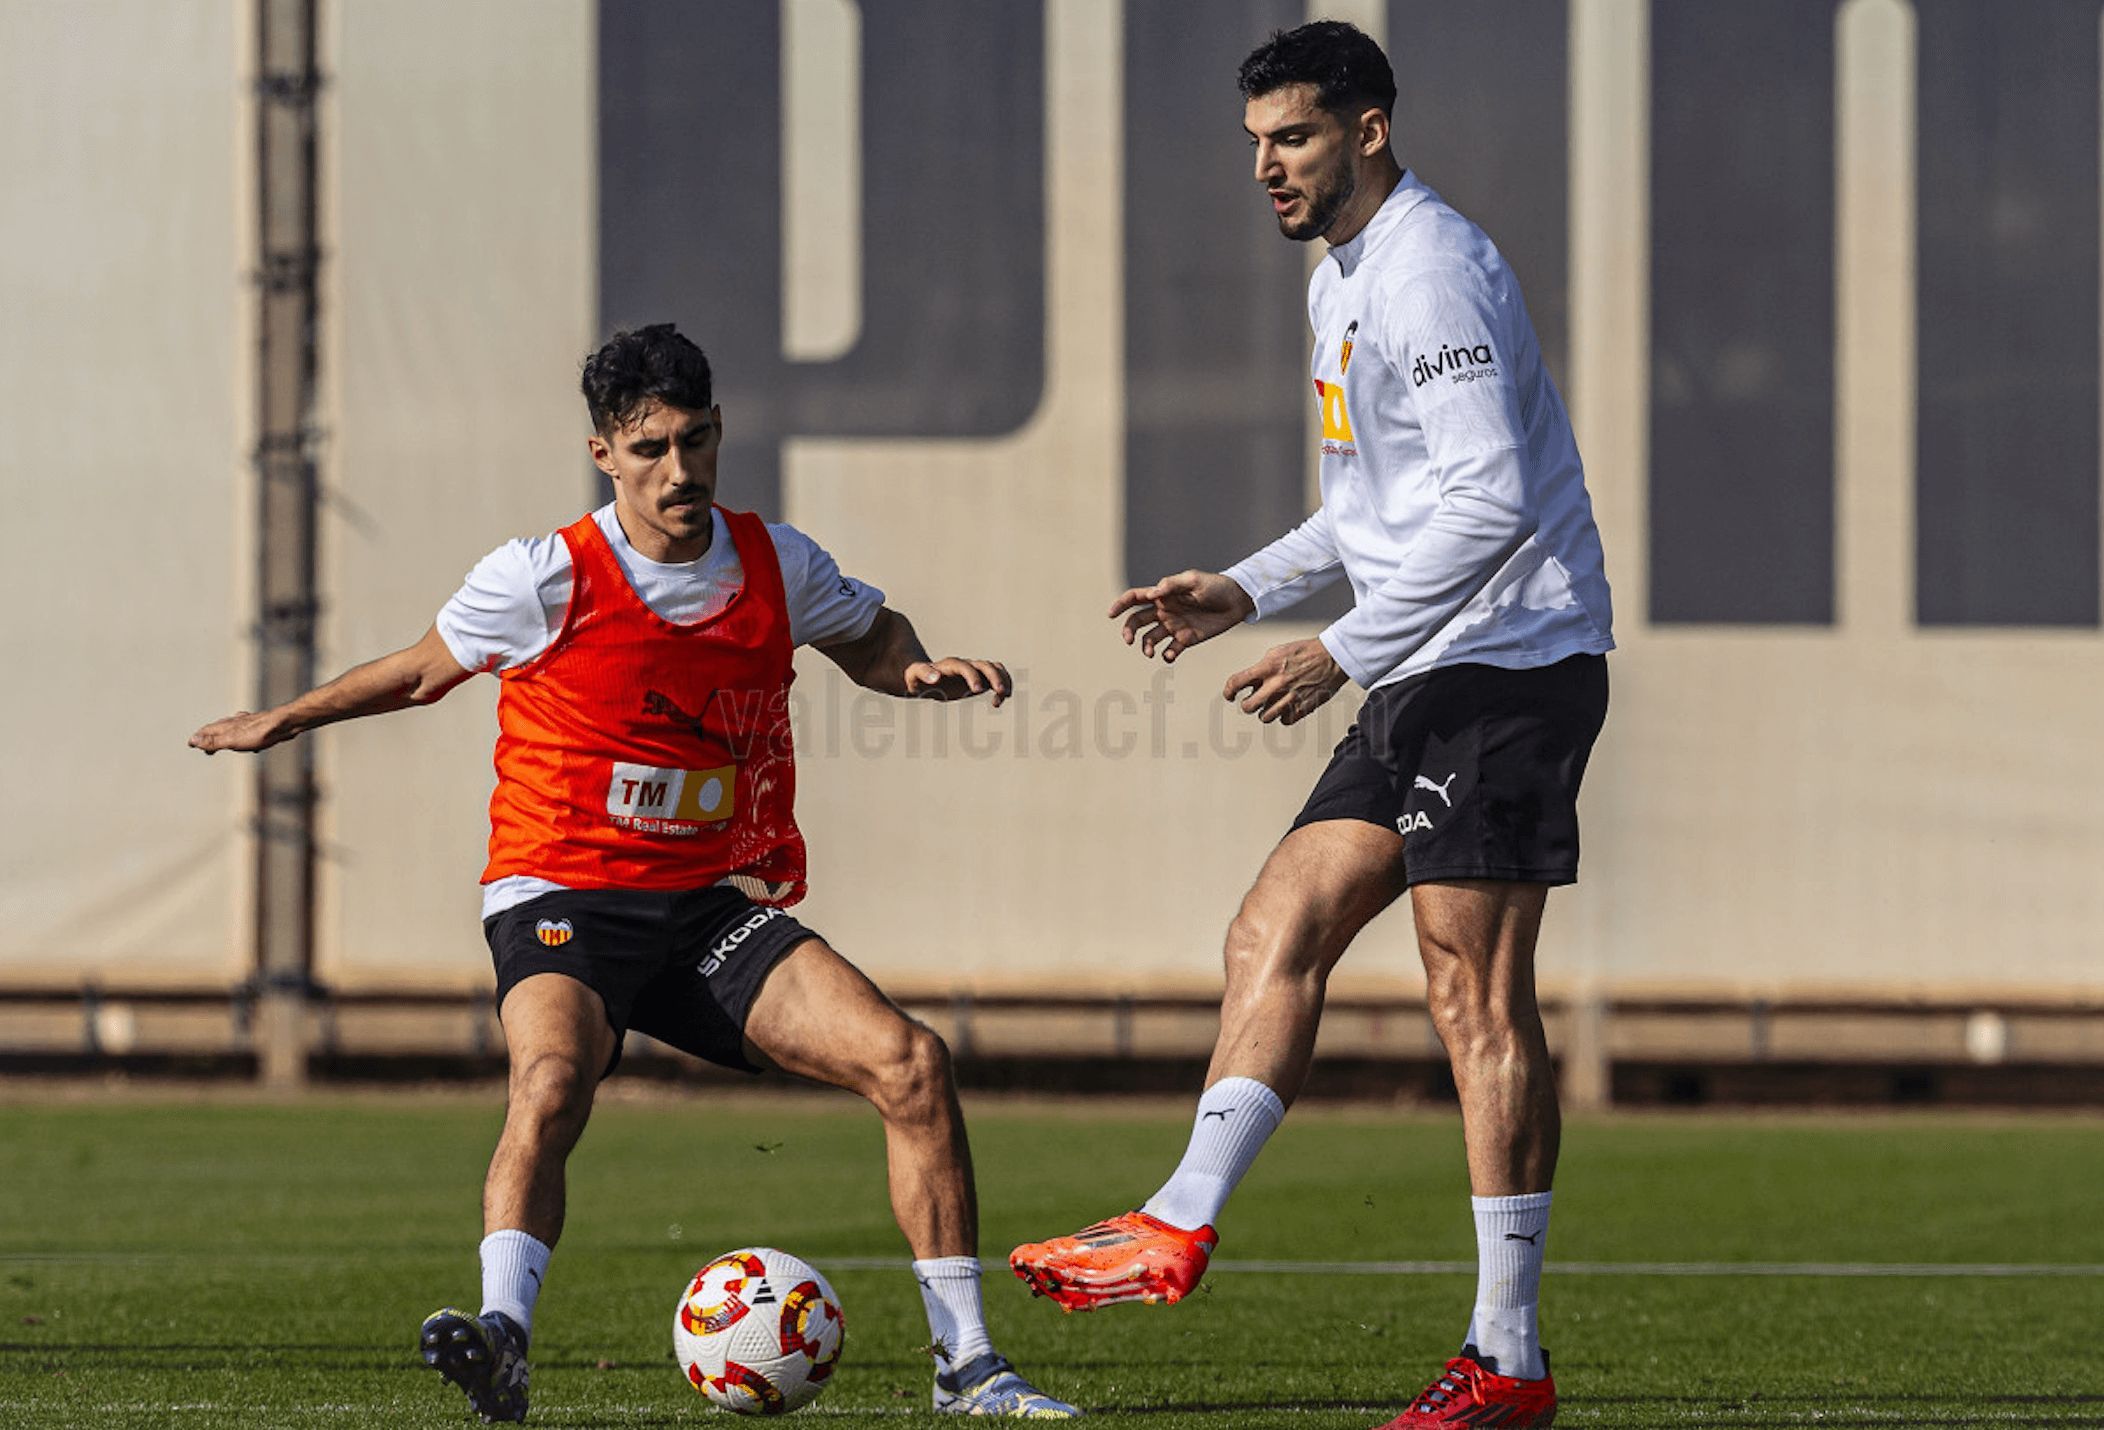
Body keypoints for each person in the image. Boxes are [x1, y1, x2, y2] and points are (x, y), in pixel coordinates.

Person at [192, 324, 1079, 1422]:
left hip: (705, 906)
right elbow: (421, 670)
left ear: (717, 433)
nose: (678, 470)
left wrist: (917, 668)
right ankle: (505, 1337)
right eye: (650, 446)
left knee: (910, 1062)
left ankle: (969, 1367)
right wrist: (283, 717)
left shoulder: (775, 562)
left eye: (695, 440)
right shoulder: (544, 574)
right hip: (561, 891)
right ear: (604, 453)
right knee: (554, 1078)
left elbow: (870, 631)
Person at [1009, 21, 1612, 1430]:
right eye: (1256, 145)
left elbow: (1490, 501)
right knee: (1271, 929)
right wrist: (1244, 587)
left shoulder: (1432, 269)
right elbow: (1372, 507)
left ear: (1370, 130)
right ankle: (1178, 1218)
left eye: (1292, 138)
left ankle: (1506, 1358)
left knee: (1472, 994)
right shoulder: (1340, 277)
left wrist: (1336, 650)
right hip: (1419, 660)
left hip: (1512, 662)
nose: (1267, 168)